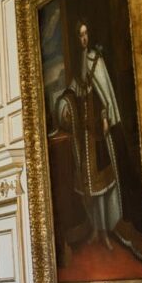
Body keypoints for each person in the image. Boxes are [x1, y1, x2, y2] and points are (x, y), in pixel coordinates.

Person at [57, 21, 123, 252]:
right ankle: (96, 229)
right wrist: (64, 103)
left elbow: (104, 93)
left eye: (86, 34)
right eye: (80, 35)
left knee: (103, 186)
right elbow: (74, 89)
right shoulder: (79, 63)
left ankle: (106, 231)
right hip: (85, 136)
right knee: (91, 188)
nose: (84, 39)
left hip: (98, 133)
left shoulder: (96, 59)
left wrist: (105, 116)